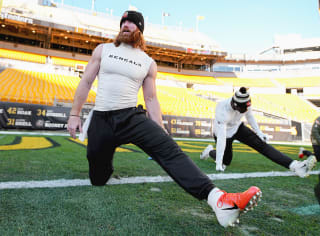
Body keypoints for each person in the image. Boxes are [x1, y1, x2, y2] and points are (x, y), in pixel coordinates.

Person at [67, 10, 262, 227]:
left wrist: (159, 129)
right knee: (97, 179)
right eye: (123, 22)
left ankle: (219, 201)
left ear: (140, 31)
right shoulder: (103, 50)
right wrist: (75, 114)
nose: (126, 25)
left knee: (170, 150)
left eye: (131, 22)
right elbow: (85, 83)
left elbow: (151, 98)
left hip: (130, 117)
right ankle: (107, 167)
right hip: (101, 119)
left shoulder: (148, 62)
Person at [200, 87, 317, 177]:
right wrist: (219, 162)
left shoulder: (244, 103)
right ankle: (210, 151)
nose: (245, 110)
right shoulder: (222, 110)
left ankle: (295, 166)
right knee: (226, 161)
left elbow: (250, 117)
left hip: (238, 127)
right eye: (243, 109)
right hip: (223, 134)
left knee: (262, 145)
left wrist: (259, 133)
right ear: (235, 105)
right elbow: (221, 138)